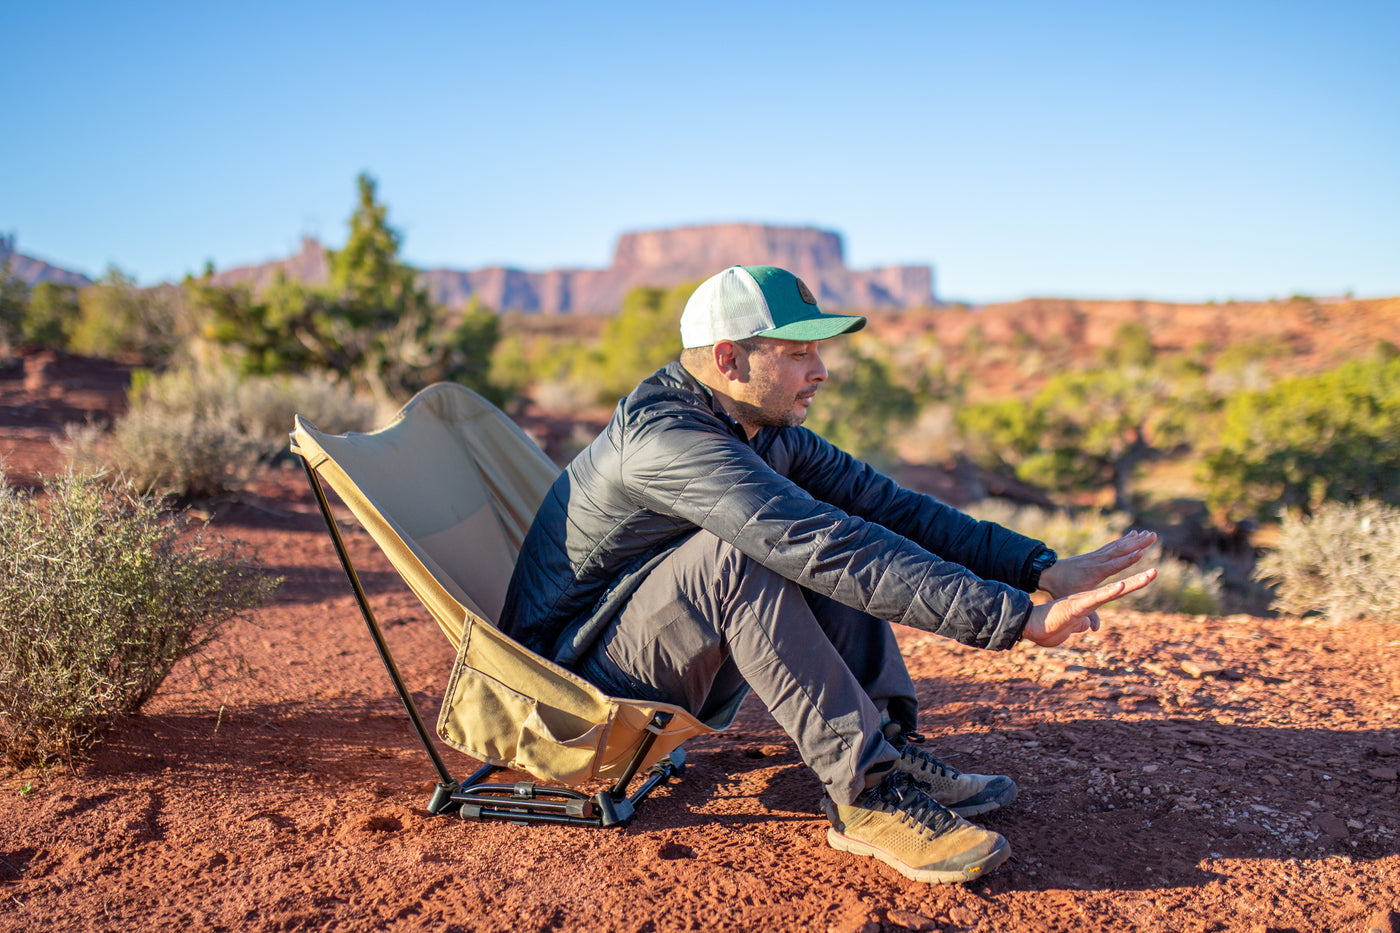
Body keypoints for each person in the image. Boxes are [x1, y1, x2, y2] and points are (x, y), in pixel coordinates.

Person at [500, 264, 1156, 884]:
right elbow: (821, 546)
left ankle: (890, 748)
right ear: (728, 359)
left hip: (645, 646)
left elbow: (891, 509)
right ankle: (866, 795)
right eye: (797, 354)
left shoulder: (758, 426)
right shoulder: (669, 441)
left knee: (826, 523)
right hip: (568, 688)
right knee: (751, 552)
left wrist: (1040, 568)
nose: (821, 371)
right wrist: (1017, 618)